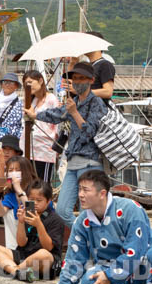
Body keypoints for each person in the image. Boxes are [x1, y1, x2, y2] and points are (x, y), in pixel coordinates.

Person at [26, 61, 107, 224]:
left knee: (88, 211)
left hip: (90, 162)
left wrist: (74, 113)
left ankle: (88, 242)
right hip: (72, 161)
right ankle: (84, 235)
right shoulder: (73, 101)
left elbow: (90, 132)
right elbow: (56, 114)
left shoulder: (96, 102)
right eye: (74, 78)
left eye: (81, 78)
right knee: (62, 210)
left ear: (91, 80)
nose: (77, 81)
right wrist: (35, 115)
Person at [0, 180, 67, 282]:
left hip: (45, 262)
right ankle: (17, 272)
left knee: (43, 254)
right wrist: (21, 222)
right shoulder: (28, 213)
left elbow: (48, 247)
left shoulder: (56, 220)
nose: (35, 203)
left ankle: (9, 269)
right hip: (25, 256)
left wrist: (39, 225)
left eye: (39, 200)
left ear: (48, 201)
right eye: (31, 199)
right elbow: (21, 243)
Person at [21, 70, 59, 182]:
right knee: (29, 182)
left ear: (40, 81)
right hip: (28, 145)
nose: (27, 85)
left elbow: (57, 123)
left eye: (30, 82)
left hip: (45, 148)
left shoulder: (51, 99)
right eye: (25, 83)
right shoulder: (31, 101)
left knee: (43, 183)